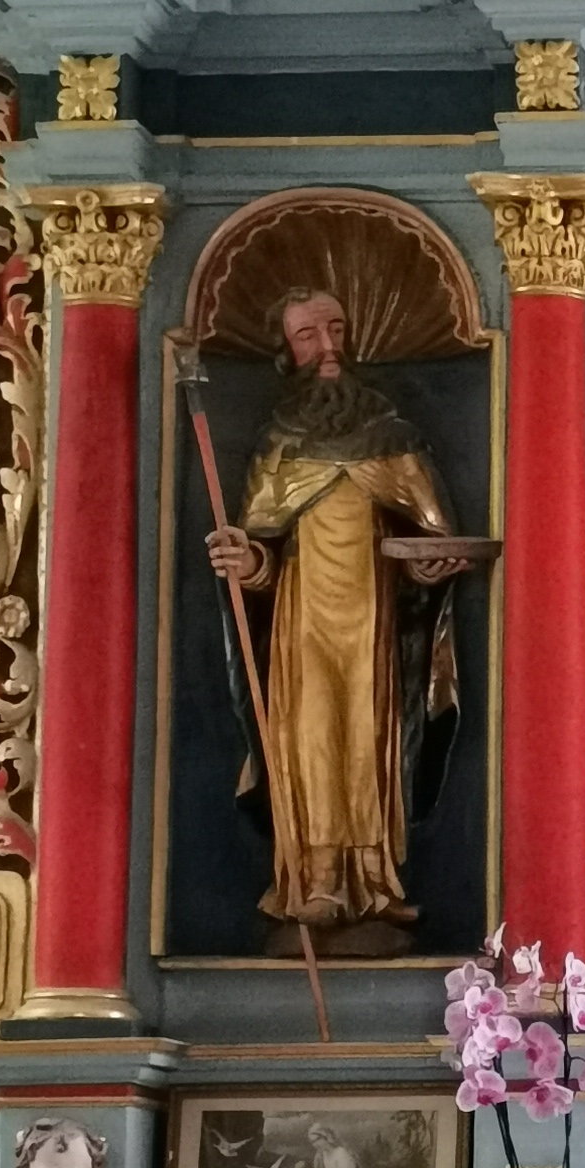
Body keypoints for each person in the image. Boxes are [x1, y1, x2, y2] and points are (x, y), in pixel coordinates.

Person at [205, 290, 474, 950]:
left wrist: (428, 572)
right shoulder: (279, 445)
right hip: (302, 619)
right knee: (313, 740)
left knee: (368, 740)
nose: (327, 347)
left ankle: (375, 880)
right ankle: (317, 879)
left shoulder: (391, 434)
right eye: (308, 336)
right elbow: (262, 550)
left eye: (336, 329)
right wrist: (247, 563)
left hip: (374, 619)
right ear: (285, 352)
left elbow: (427, 536)